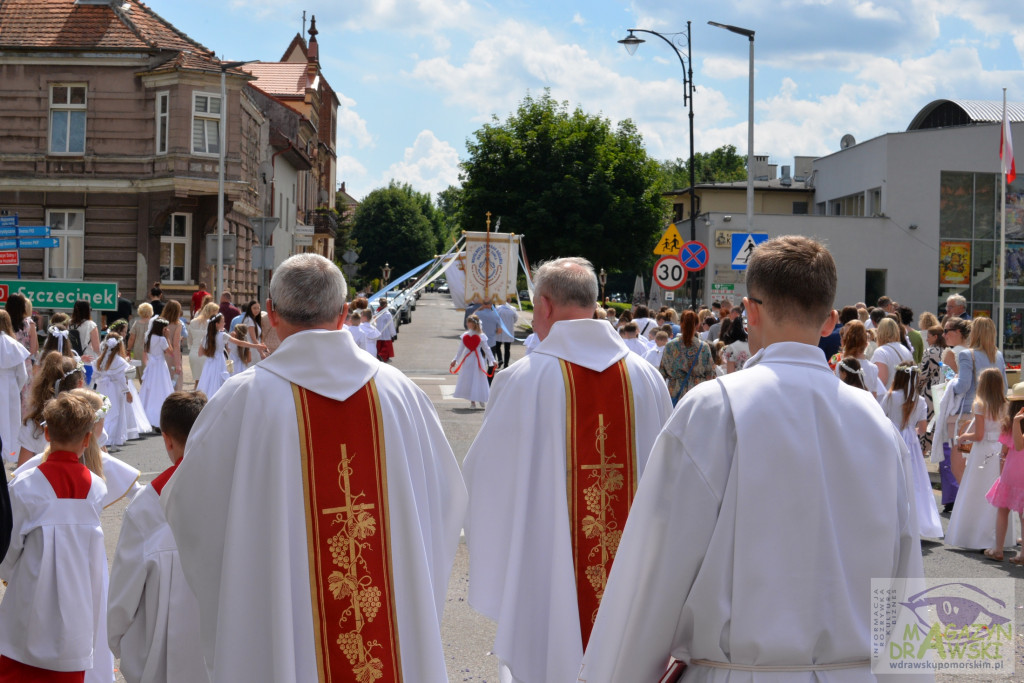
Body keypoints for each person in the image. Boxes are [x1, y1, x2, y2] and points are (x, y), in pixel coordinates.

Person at [578, 236, 924, 682]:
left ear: (750, 311)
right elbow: (903, 583)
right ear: (830, 321)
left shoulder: (715, 408)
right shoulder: (877, 426)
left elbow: (656, 571)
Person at [163, 253, 466, 682]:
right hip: (389, 639)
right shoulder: (402, 396)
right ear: (344, 314)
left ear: (271, 313)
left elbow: (190, 509)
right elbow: (446, 501)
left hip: (279, 627)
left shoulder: (242, 400)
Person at [462, 257, 672, 683]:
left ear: (544, 305)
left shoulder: (522, 380)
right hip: (632, 587)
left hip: (547, 578)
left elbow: (486, 485)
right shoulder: (648, 380)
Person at [0, 392, 107, 683]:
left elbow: (8, 548)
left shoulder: (25, 486)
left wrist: (12, 575)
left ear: (46, 433)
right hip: (77, 610)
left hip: (29, 603)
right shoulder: (97, 490)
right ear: (87, 439)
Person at [108, 391, 209, 683]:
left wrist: (122, 645)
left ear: (166, 439)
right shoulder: (237, 494)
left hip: (162, 663)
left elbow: (122, 600)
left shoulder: (146, 509)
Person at [946, 367, 1014, 552]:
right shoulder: (1006, 404)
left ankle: (974, 536)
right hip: (999, 450)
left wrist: (963, 437)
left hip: (983, 451)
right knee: (997, 494)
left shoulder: (980, 404)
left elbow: (979, 434)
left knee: (976, 491)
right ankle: (997, 538)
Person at [880, 362, 943, 539]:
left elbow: (882, 418)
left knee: (892, 477)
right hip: (911, 443)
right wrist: (910, 430)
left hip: (892, 438)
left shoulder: (889, 396)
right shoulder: (919, 400)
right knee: (914, 479)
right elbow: (923, 429)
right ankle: (917, 521)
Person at [947, 316, 1006, 485]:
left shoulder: (967, 354)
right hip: (992, 414)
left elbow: (963, 386)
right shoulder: (998, 355)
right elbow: (1004, 386)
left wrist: (952, 382)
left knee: (958, 466)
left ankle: (966, 503)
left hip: (967, 414)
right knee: (984, 468)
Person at [17, 353, 86, 465]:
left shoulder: (34, 423)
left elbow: (22, 467)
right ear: (80, 384)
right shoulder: (89, 420)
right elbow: (102, 461)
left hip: (43, 481)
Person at [983, 382, 1024, 564]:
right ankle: (1022, 553)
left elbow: (1005, 452)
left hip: (1010, 473)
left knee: (1003, 510)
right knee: (1023, 515)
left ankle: (998, 549)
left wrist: (1001, 474)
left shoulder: (1008, 423)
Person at [196, 314, 265, 398]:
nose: (224, 323)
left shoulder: (206, 337)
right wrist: (257, 346)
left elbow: (200, 353)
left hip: (209, 363)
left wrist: (212, 350)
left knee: (208, 381)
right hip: (220, 362)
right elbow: (239, 342)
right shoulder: (222, 335)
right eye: (222, 322)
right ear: (217, 324)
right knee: (220, 382)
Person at [660, 310, 715, 405]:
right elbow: (711, 374)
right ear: (697, 325)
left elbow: (662, 374)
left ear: (680, 324)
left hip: (675, 393)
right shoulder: (704, 347)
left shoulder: (670, 346)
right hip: (697, 394)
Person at [93, 333, 132, 448]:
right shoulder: (119, 361)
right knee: (114, 412)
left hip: (101, 388)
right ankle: (110, 438)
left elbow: (95, 376)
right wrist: (127, 392)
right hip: (115, 389)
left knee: (104, 411)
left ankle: (102, 436)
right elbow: (121, 379)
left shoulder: (100, 360)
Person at [0, 311, 29, 463]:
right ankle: (8, 453)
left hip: (8, 384)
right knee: (9, 421)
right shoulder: (13, 344)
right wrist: (15, 389)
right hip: (10, 386)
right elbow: (23, 375)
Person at [450, 314, 495, 409]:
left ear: (474, 324)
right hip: (468, 360)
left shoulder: (481, 336)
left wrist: (492, 360)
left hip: (478, 359)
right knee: (470, 379)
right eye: (467, 322)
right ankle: (473, 402)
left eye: (469, 322)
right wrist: (455, 360)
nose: (467, 324)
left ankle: (481, 398)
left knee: (479, 378)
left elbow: (486, 349)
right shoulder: (465, 336)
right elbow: (460, 350)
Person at [872, 317, 913, 389]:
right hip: (904, 396)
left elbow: (880, 384)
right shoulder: (905, 350)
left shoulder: (881, 352)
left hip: (888, 398)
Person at [187, 302, 219, 389]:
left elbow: (189, 338)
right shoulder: (212, 323)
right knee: (207, 382)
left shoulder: (193, 322)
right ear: (213, 311)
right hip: (207, 353)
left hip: (194, 353)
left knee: (197, 381)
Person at [126, 302, 153, 376]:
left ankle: (142, 384)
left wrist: (128, 349)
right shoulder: (153, 324)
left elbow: (132, 338)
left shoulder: (136, 323)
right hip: (150, 348)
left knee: (140, 369)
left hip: (138, 349)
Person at [495, 300, 518, 369]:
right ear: (510, 300)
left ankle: (500, 359)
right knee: (507, 349)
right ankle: (506, 365)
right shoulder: (513, 309)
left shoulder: (498, 308)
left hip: (500, 330)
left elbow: (495, 318)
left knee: (497, 346)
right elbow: (515, 319)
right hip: (509, 330)